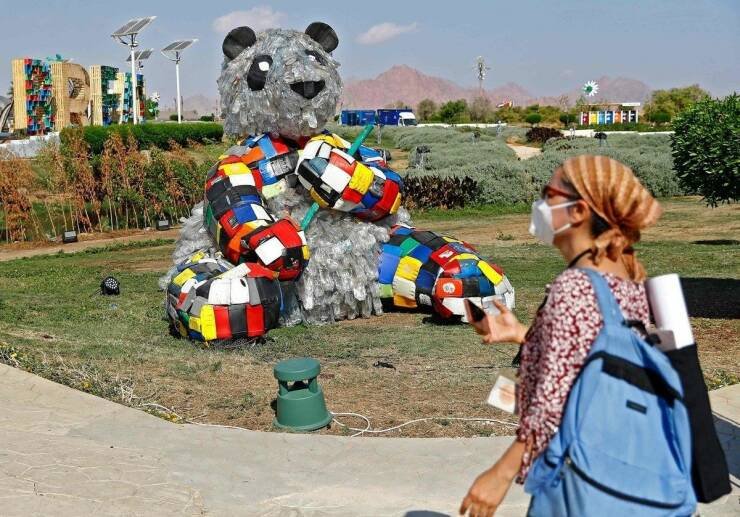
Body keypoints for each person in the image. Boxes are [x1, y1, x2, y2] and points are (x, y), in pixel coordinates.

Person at [459, 155, 663, 516]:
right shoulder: (629, 280)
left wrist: (500, 475)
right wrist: (525, 335)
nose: (539, 204)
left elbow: (553, 404)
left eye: (548, 194)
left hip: (581, 477)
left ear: (579, 211)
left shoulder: (574, 288)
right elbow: (597, 359)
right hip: (624, 465)